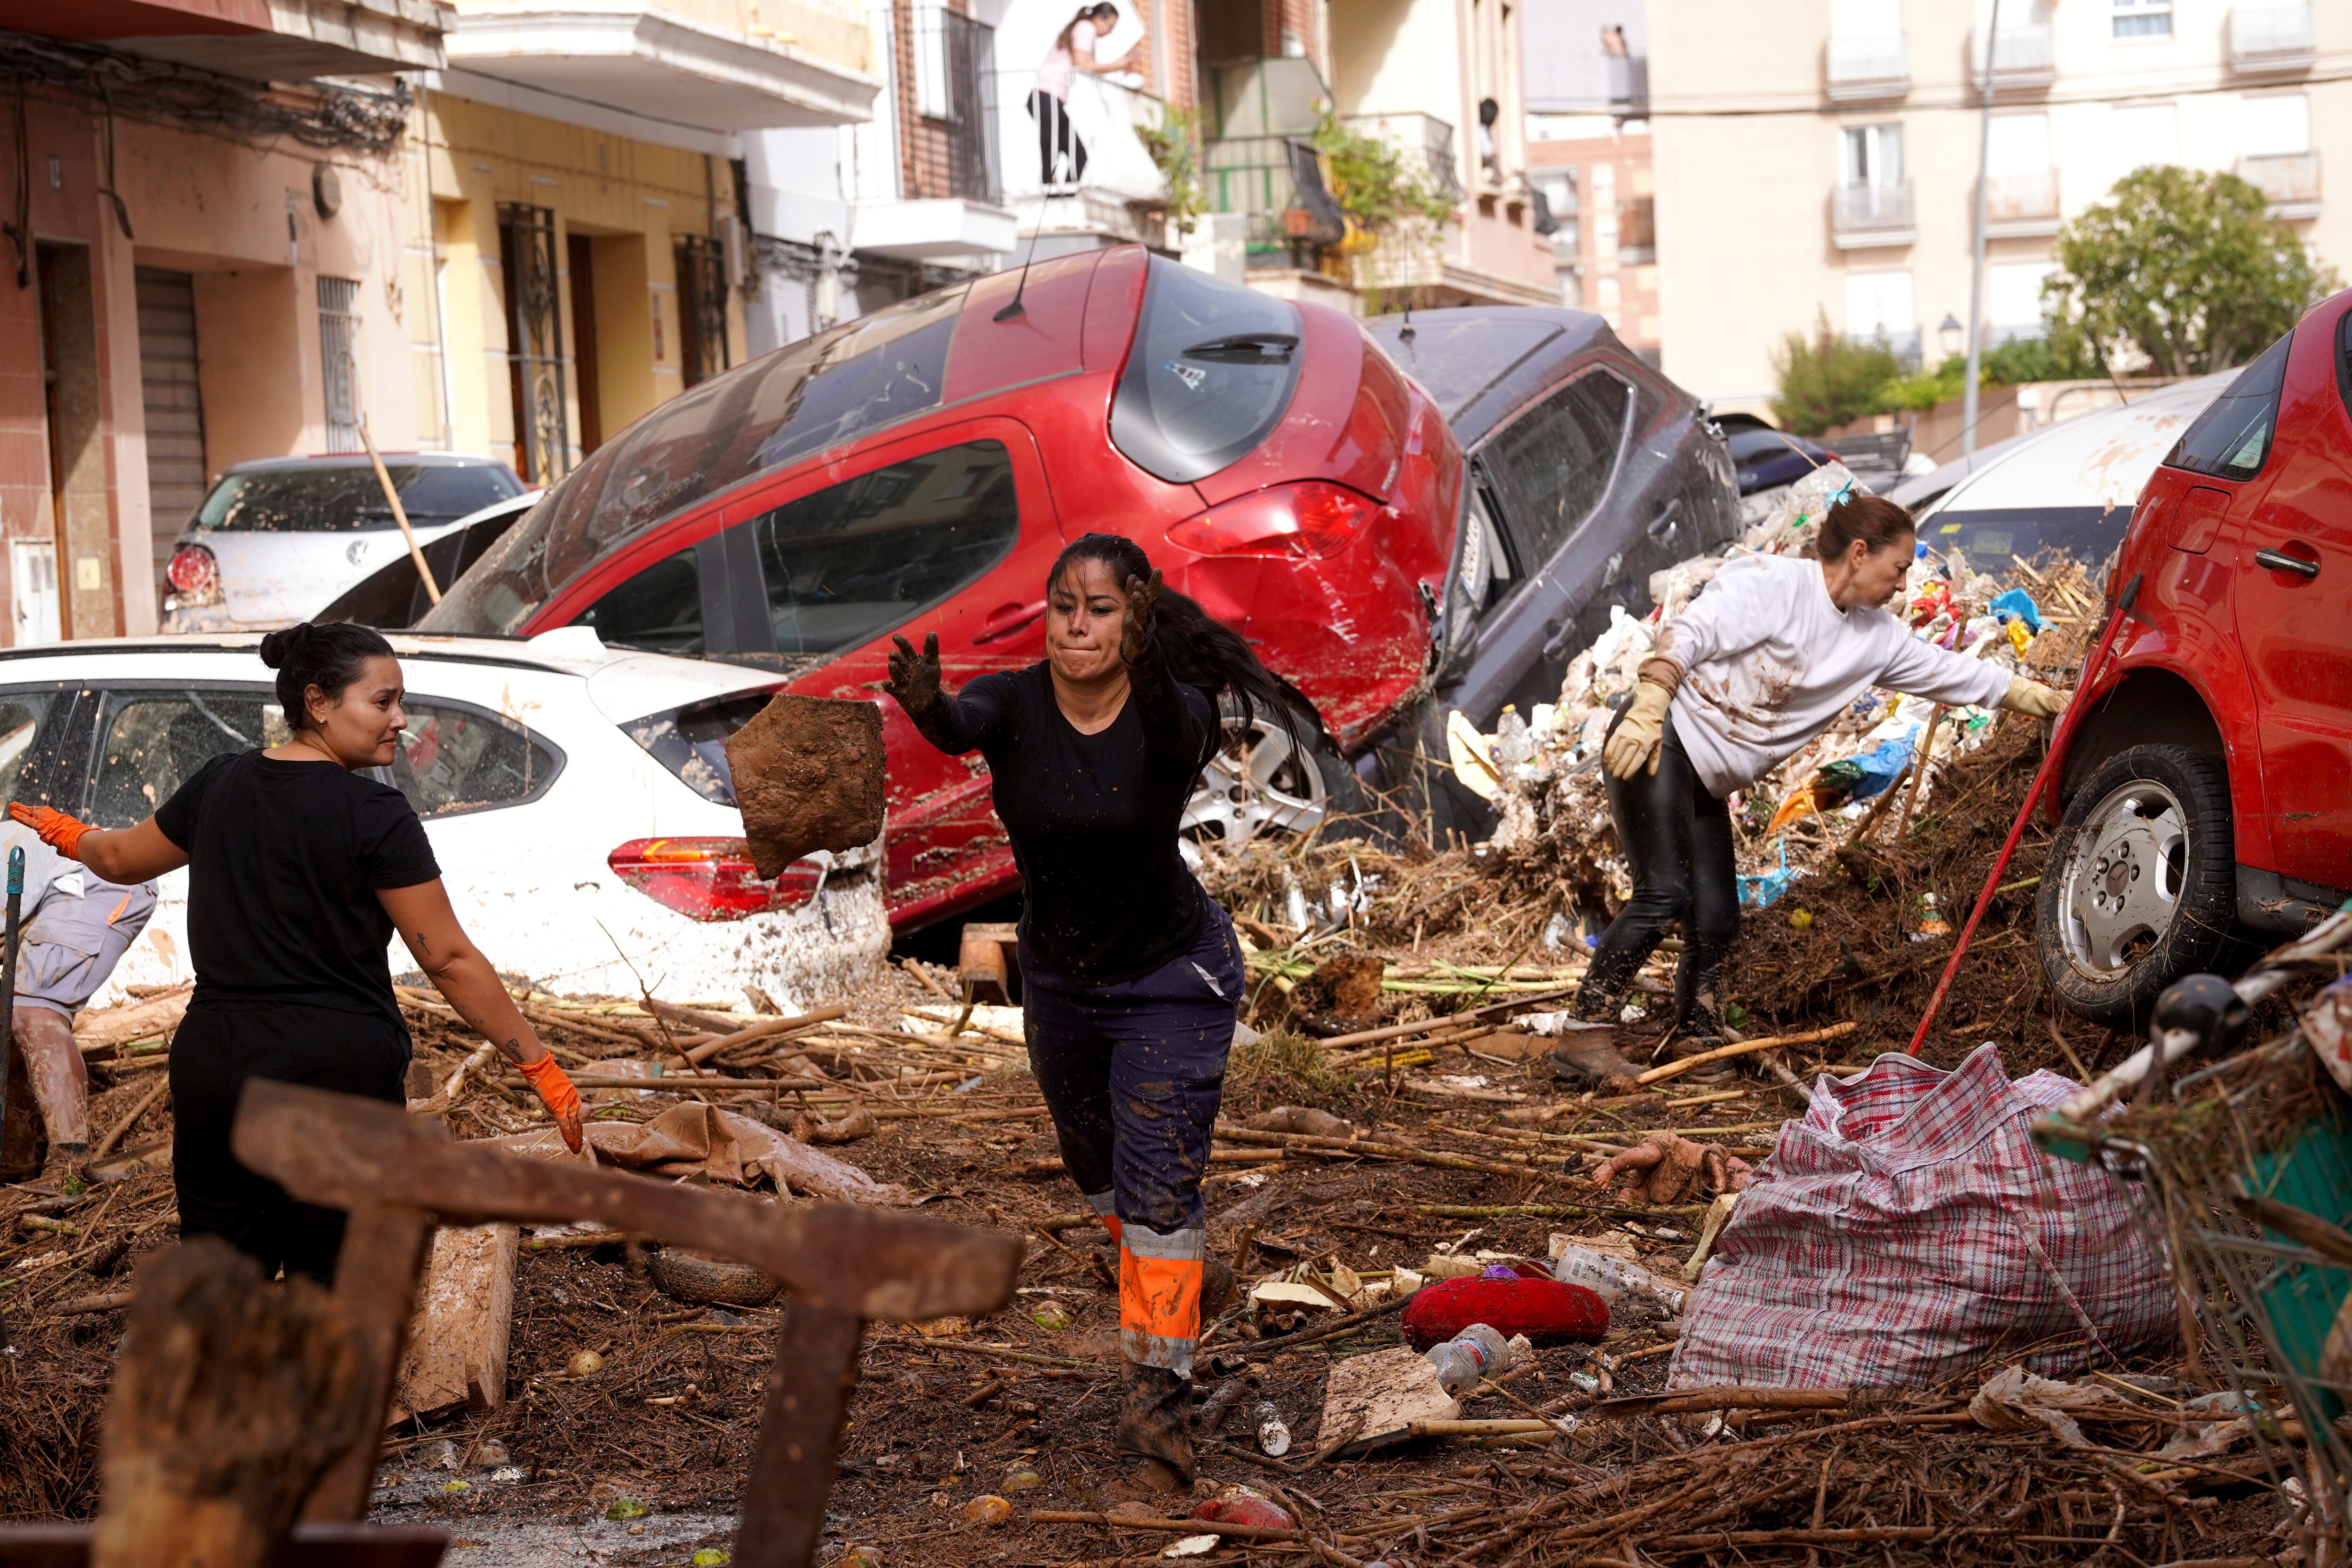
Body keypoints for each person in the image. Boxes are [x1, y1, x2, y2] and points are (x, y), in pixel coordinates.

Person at [9, 621, 584, 1282]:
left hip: (219, 1066)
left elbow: (116, 858)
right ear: (318, 702)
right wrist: (539, 1064)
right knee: (331, 1282)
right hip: (333, 1073)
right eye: (383, 701)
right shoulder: (376, 814)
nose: (400, 719)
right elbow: (447, 958)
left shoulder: (218, 784)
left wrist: (68, 832)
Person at [885, 532, 1277, 1494]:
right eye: (1063, 604)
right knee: (1098, 1179)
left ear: (1135, 618)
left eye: (1100, 608)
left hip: (1170, 979)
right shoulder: (1017, 702)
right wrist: (929, 702)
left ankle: (1160, 1412)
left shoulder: (1171, 713)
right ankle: (1179, 1282)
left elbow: (1170, 724)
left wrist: (1142, 655)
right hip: (1061, 982)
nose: (1075, 624)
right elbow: (960, 721)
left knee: (1152, 1190)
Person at [1554, 492, 2071, 1085]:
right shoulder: (1775, 584)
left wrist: (2033, 696)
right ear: (1858, 553)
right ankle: (1583, 1037)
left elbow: (1952, 672)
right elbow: (1692, 630)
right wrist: (1651, 696)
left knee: (1718, 917)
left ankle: (1695, 1039)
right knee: (1665, 893)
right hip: (1659, 737)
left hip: (1706, 777)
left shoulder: (1876, 638)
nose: (1902, 586)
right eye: (1898, 568)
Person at [0, 828, 157, 1179]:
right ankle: (16, 1166)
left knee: (33, 1010)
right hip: (54, 885)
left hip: (96, 875)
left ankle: (69, 1162)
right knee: (10, 1014)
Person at [1031, 2, 1140, 188]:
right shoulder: (1086, 28)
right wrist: (1117, 65)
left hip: (1050, 98)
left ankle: (1062, 193)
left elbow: (1086, 66)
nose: (1110, 32)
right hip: (1046, 95)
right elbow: (1083, 64)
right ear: (1099, 19)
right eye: (1110, 26)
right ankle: (1052, 190)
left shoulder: (1082, 28)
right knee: (1055, 146)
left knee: (1076, 154)